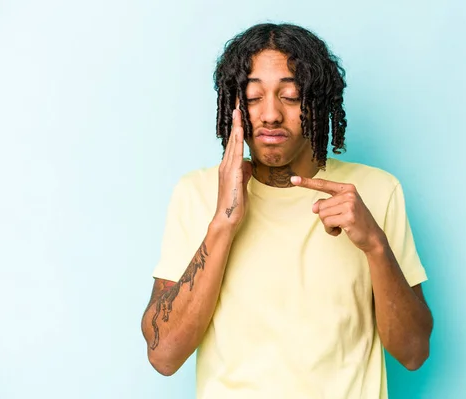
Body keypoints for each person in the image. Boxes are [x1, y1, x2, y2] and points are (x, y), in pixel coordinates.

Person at [141, 23, 433, 399]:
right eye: (252, 97)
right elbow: (163, 355)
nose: (271, 114)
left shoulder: (376, 191)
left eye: (291, 96)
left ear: (318, 102)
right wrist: (223, 223)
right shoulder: (196, 193)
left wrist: (375, 245)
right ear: (233, 105)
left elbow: (413, 352)